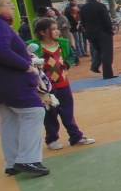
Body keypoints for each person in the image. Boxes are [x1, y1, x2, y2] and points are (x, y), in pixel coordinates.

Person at [0, 0, 49, 177]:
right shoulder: (1, 25)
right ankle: (28, 160)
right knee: (34, 112)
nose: (12, 7)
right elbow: (2, 51)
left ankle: (12, 162)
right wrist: (26, 66)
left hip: (3, 84)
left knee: (10, 118)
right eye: (8, 4)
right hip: (12, 82)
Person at [27, 18, 95, 150]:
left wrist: (67, 64)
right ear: (42, 32)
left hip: (63, 84)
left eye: (57, 28)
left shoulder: (62, 43)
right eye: (52, 29)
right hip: (46, 89)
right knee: (50, 114)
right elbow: (27, 59)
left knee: (68, 112)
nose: (57, 31)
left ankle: (75, 136)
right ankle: (51, 139)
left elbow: (71, 55)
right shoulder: (34, 47)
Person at [80, 0, 118, 79]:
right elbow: (106, 20)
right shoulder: (101, 6)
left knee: (98, 50)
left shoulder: (84, 7)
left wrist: (87, 30)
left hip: (91, 33)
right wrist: (110, 30)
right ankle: (107, 74)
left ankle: (95, 66)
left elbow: (83, 21)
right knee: (106, 53)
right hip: (103, 33)